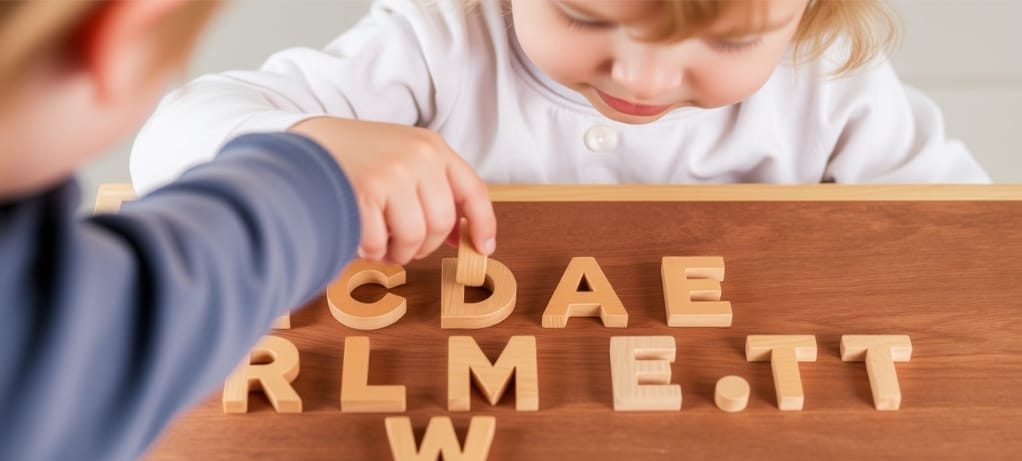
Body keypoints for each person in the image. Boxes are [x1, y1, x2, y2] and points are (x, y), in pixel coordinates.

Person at [0, 1, 496, 461]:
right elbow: (209, 254)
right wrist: (319, 162)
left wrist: (319, 169)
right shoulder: (51, 331)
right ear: (120, 38)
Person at [130, 0, 990, 195]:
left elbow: (968, 241)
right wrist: (313, 141)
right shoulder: (440, 41)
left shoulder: (830, 81)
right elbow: (171, 141)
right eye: (587, 17)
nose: (645, 80)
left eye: (730, 41)